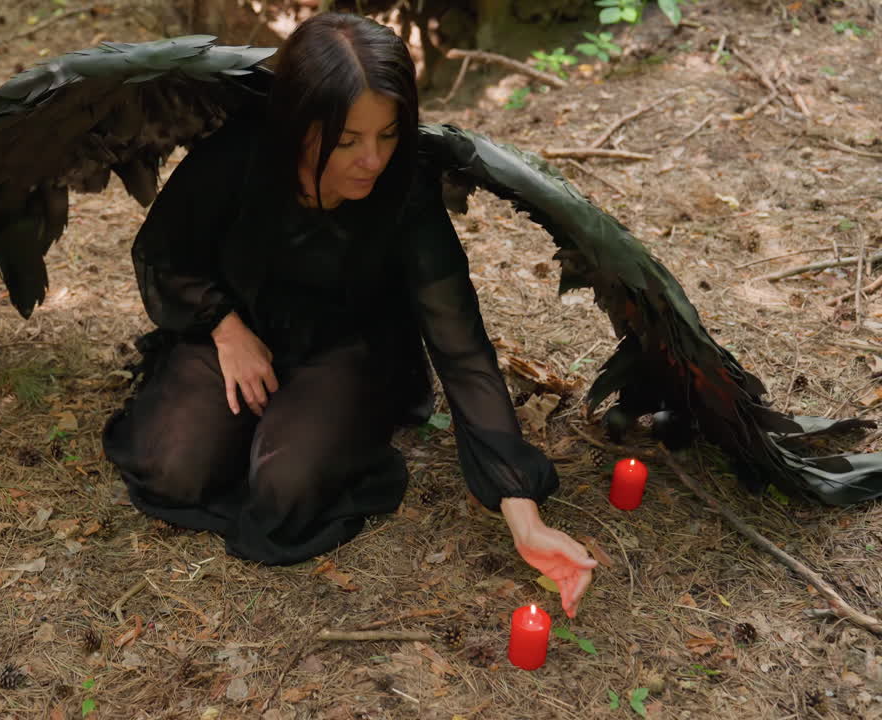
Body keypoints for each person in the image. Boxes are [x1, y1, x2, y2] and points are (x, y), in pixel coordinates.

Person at [102, 12, 597, 617]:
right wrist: (225, 329)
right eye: (346, 141)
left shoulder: (404, 190)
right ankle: (241, 429)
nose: (372, 160)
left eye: (387, 135)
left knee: (287, 492)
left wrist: (521, 511)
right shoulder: (239, 155)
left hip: (346, 349)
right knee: (170, 468)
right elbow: (164, 253)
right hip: (238, 328)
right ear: (297, 128)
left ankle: (294, 435)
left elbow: (461, 348)